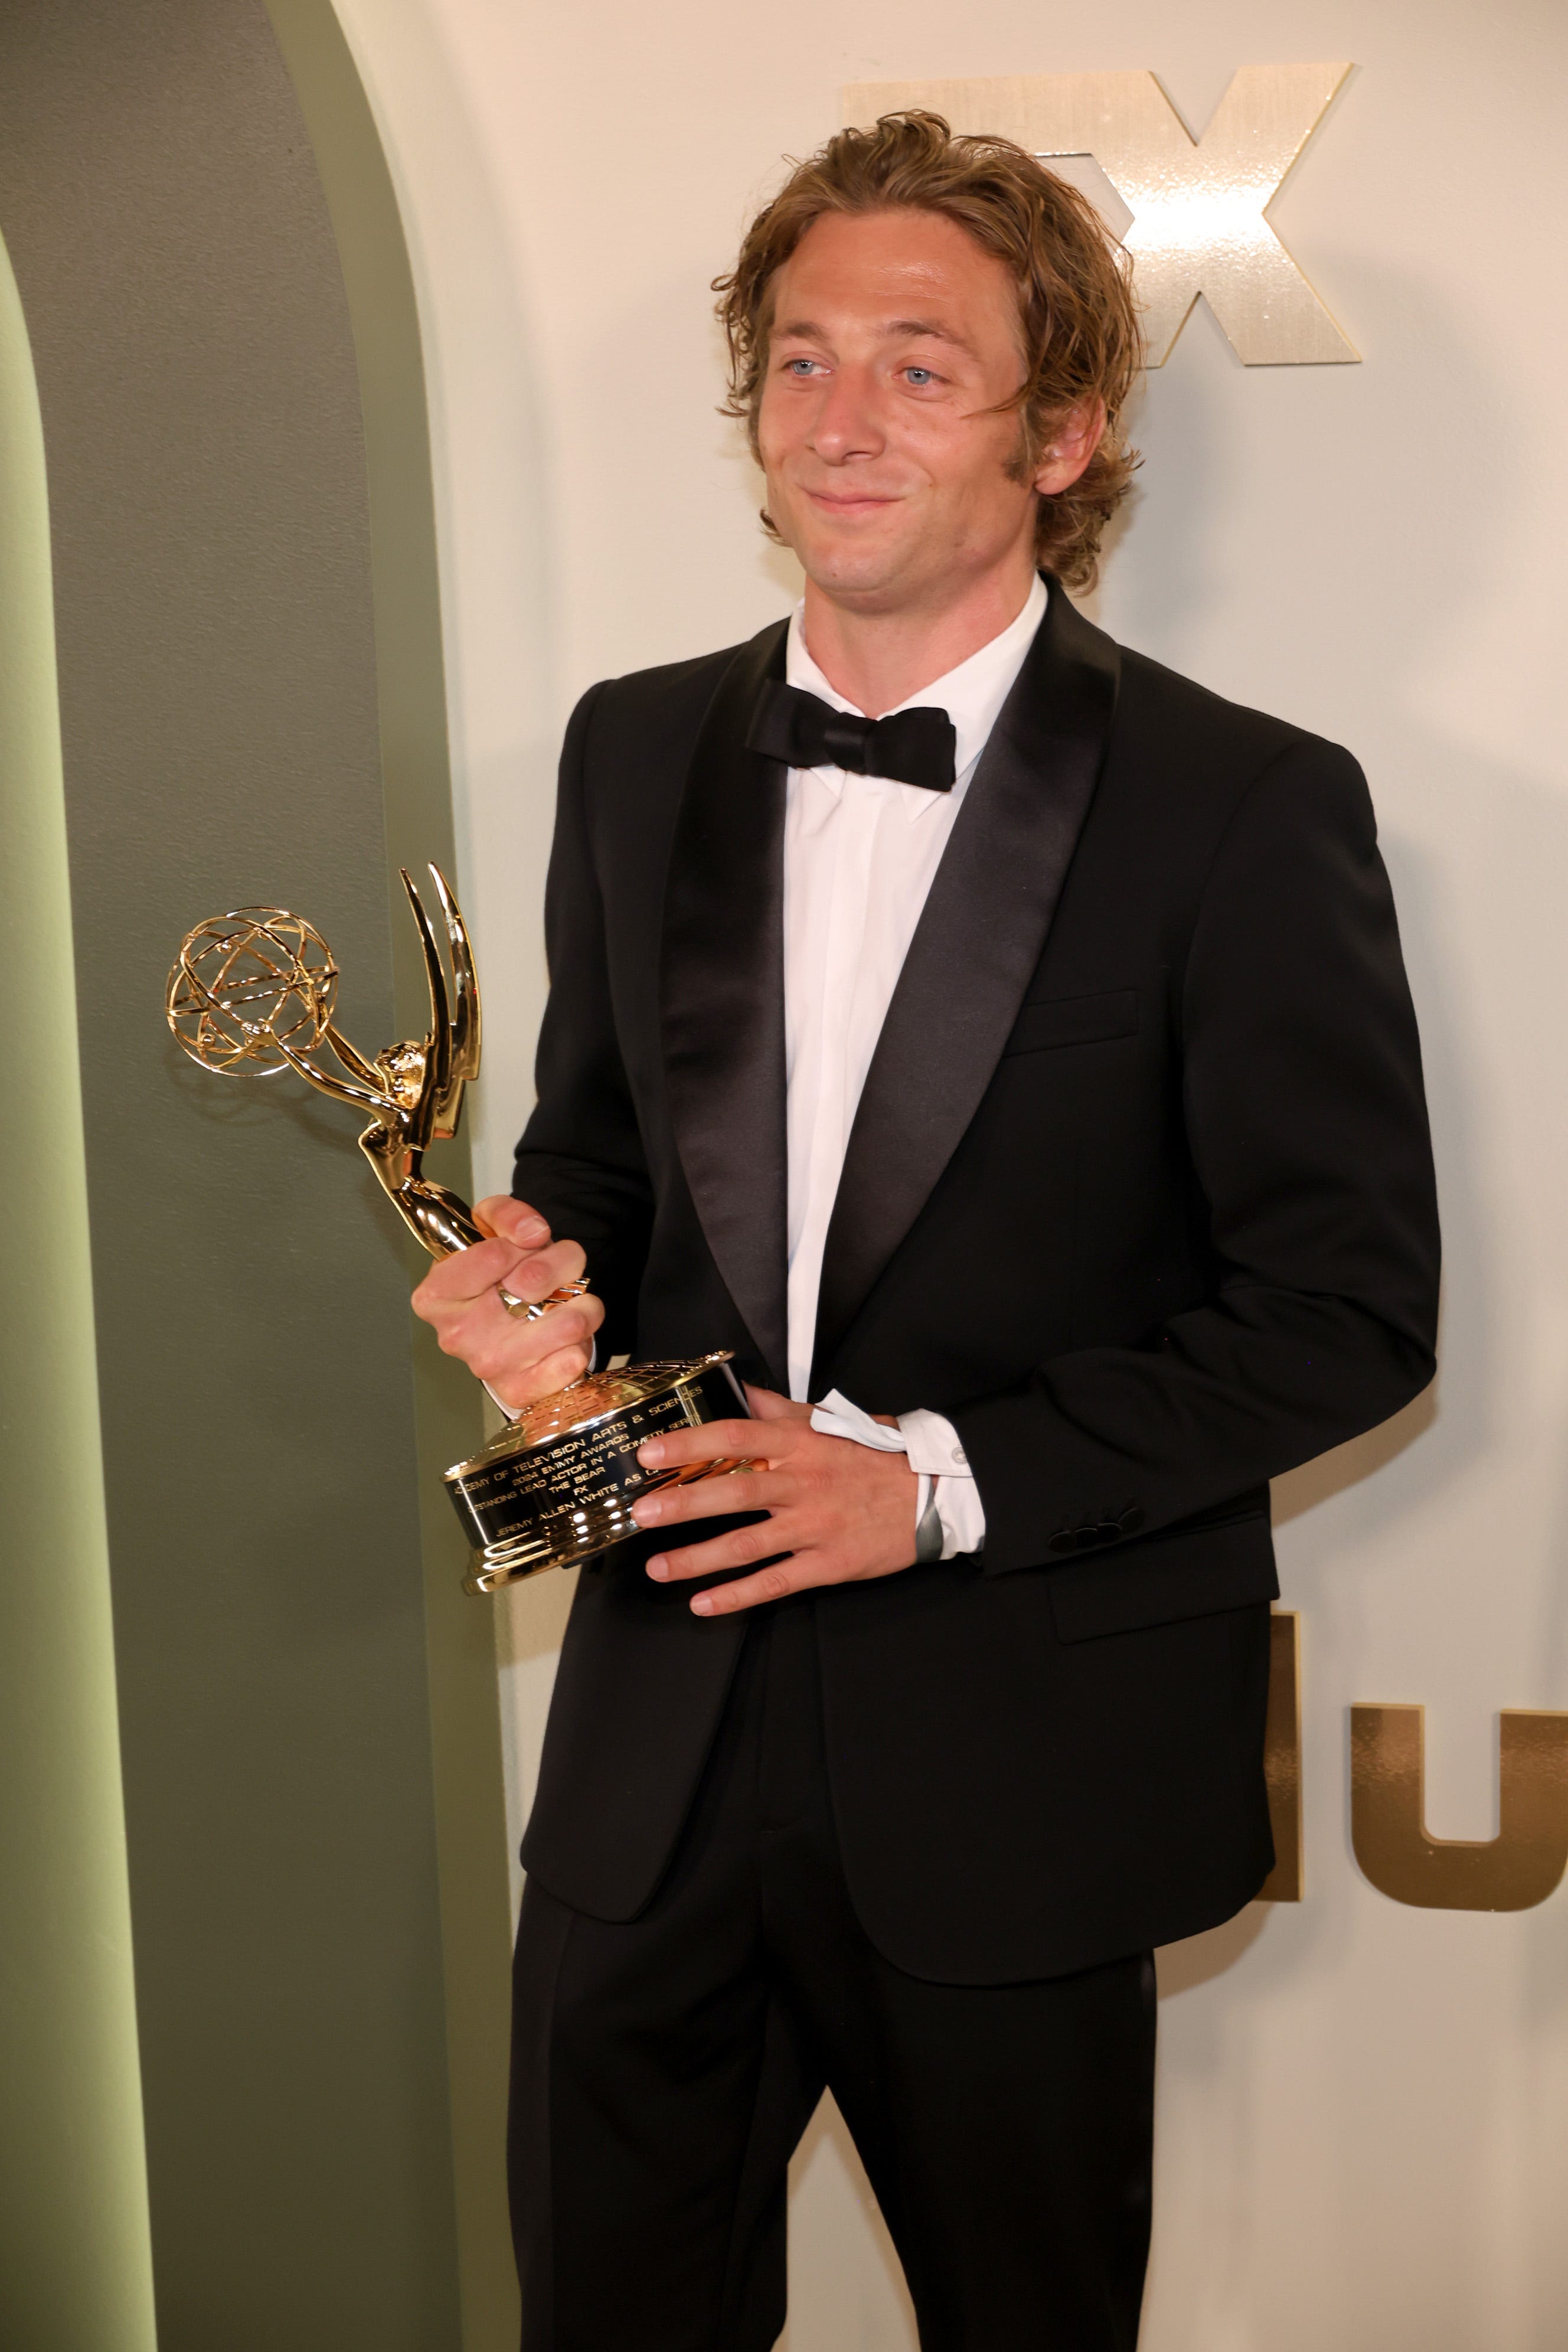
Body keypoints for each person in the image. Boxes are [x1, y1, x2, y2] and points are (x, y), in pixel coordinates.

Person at [412, 112, 1440, 2352]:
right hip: (652, 1755)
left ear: (1064, 430)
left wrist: (930, 1489)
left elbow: (1348, 1314)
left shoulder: (1244, 806)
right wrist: (530, 1294)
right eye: (797, 363)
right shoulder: (634, 750)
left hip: (1017, 1771)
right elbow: (593, 1158)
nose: (839, 421)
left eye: (918, 366)